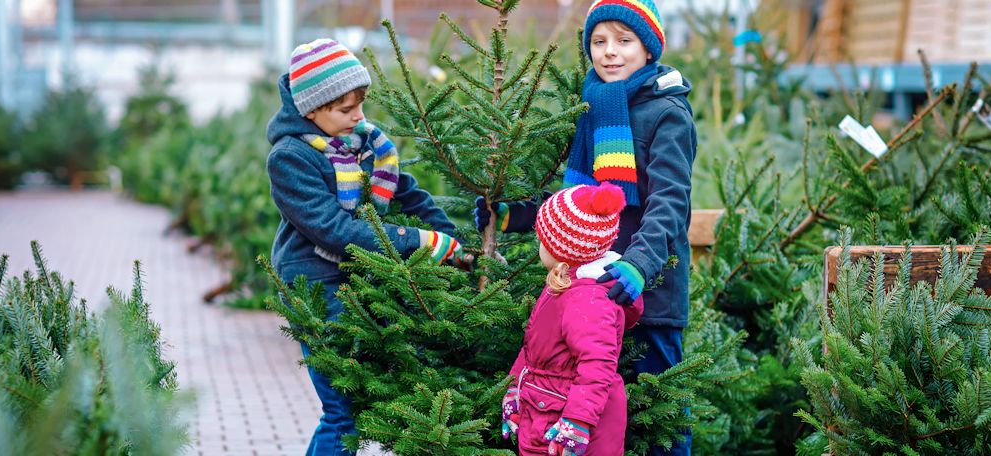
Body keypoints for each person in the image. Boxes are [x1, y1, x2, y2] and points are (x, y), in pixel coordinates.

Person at [477, 1, 696, 453]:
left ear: (649, 48)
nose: (610, 52)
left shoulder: (667, 113)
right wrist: (515, 216)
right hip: (587, 298)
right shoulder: (595, 105)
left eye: (624, 40)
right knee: (599, 420)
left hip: (646, 294)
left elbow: (670, 203)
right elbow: (577, 203)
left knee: (663, 423)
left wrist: (639, 264)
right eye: (599, 41)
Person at [266, 38, 468, 456]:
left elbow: (411, 197)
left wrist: (458, 245)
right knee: (343, 414)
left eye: (361, 104)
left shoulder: (363, 144)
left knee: (362, 405)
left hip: (359, 279)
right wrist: (419, 243)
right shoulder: (290, 158)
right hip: (315, 288)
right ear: (311, 110)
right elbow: (334, 229)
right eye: (345, 109)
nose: (359, 116)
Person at [501, 182, 644, 455]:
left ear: (561, 249)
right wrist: (514, 390)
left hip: (564, 423)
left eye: (542, 238)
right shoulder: (564, 284)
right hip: (544, 410)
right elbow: (535, 350)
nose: (539, 244)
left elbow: (597, 366)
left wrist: (576, 423)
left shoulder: (587, 300)